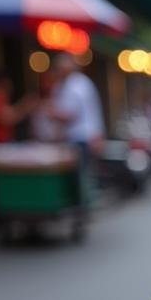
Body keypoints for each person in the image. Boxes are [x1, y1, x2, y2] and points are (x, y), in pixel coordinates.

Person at [50, 52, 104, 207]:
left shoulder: (76, 85)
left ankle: (82, 206)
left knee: (80, 175)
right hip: (75, 138)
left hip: (81, 138)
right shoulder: (66, 85)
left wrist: (49, 112)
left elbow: (70, 115)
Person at [0, 70, 33, 144]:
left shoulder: (2, 99)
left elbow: (11, 112)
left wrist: (24, 104)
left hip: (4, 142)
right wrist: (25, 107)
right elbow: (6, 118)